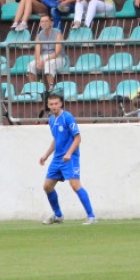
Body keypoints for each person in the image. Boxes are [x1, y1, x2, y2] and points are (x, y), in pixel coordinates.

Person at [40, 93, 96, 225]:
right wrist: (46, 155)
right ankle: (58, 215)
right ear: (48, 105)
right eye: (51, 104)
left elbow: (78, 138)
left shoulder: (67, 117)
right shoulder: (52, 120)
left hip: (70, 158)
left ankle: (91, 216)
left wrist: (69, 153)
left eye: (56, 103)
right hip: (57, 158)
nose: (54, 106)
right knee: (47, 186)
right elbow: (56, 139)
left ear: (61, 104)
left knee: (75, 185)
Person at [27, 15, 65, 92]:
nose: (44, 23)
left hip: (57, 57)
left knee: (49, 64)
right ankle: (36, 89)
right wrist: (38, 61)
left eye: (46, 21)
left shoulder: (58, 33)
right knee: (31, 65)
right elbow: (37, 51)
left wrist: (44, 61)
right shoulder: (39, 35)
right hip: (43, 57)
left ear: (51, 23)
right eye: (42, 21)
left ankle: (51, 88)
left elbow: (57, 52)